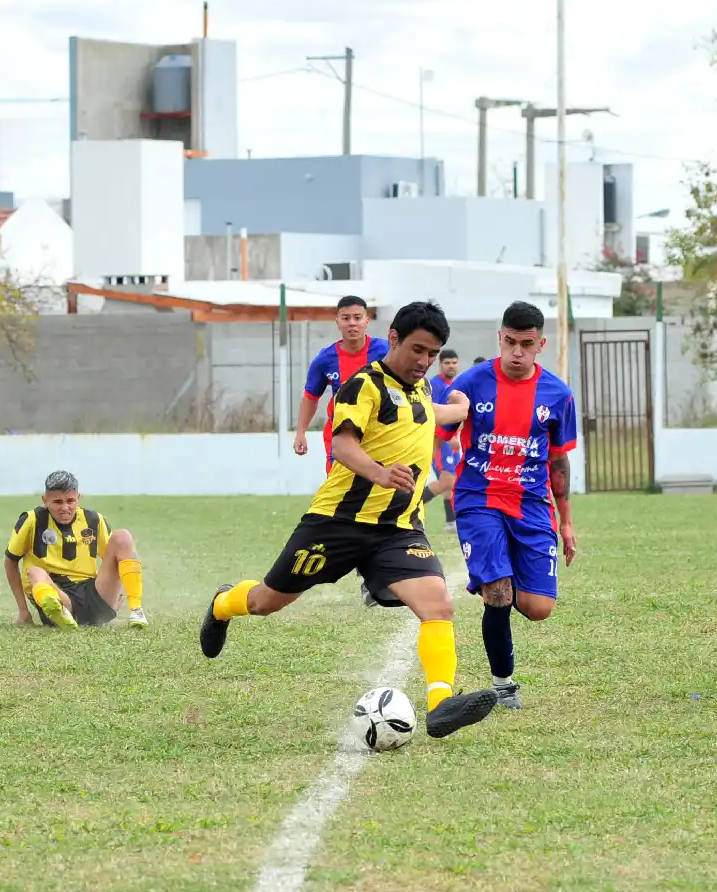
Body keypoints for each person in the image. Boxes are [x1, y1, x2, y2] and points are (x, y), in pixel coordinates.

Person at [200, 300, 499, 739]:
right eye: (417, 350)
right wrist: (380, 473)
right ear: (393, 338)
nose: (424, 362)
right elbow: (342, 445)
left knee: (438, 604)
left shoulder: (420, 390)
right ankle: (223, 604)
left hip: (397, 529)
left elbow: (427, 415)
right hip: (337, 523)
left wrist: (460, 406)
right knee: (267, 601)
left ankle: (440, 705)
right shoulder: (363, 386)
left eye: (432, 354)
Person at [432, 301, 579, 709]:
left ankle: (502, 574)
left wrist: (566, 522)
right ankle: (503, 684)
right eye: (510, 342)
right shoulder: (472, 382)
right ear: (500, 338)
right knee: (498, 593)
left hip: (531, 505)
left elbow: (559, 462)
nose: (517, 352)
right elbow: (437, 434)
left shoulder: (558, 394)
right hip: (479, 499)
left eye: (526, 344)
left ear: (540, 345)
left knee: (537, 607)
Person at [5, 470, 148, 629]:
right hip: (57, 593)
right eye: (58, 502)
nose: (65, 507)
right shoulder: (32, 520)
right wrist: (23, 610)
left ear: (79, 498)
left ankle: (136, 610)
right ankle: (60, 614)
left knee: (123, 537)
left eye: (70, 501)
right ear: (45, 500)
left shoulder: (93, 520)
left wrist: (115, 592)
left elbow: (116, 558)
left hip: (94, 595)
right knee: (34, 572)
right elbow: (10, 562)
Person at [294, 295, 390, 472]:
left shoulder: (386, 351)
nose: (352, 323)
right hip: (339, 435)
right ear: (338, 322)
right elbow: (311, 397)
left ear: (366, 321)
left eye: (357, 317)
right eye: (346, 318)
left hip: (378, 434)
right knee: (339, 493)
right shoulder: (325, 359)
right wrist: (301, 432)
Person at [426, 349, 463, 532]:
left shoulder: (455, 385)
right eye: (447, 363)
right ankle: (414, 503)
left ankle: (451, 523)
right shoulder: (435, 385)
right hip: (440, 442)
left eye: (454, 362)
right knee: (447, 480)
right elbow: (433, 416)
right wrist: (448, 440)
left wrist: (456, 436)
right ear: (440, 364)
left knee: (450, 482)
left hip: (451, 441)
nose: (451, 366)